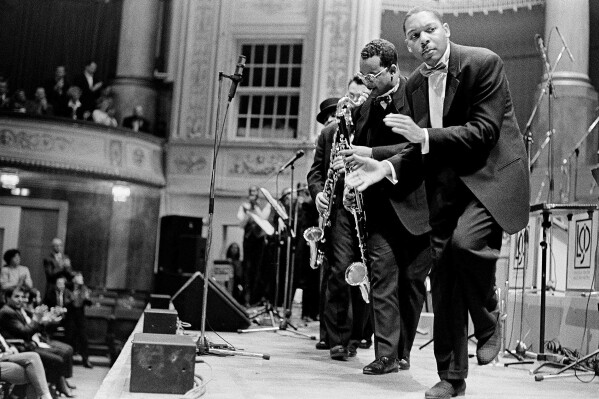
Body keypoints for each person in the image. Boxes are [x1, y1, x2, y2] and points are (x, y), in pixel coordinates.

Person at [346, 8, 530, 398]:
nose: (424, 39)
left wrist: (424, 136)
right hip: (447, 188)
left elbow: (482, 132)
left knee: (465, 245)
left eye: (430, 30)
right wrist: (385, 167)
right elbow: (417, 149)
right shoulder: (414, 85)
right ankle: (451, 377)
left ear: (445, 31)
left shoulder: (483, 63)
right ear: (408, 46)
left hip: (490, 178)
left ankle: (488, 316)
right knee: (443, 280)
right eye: (414, 35)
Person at [336, 39, 431, 373]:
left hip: (419, 208)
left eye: (373, 75)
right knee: (382, 280)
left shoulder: (419, 96)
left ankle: (403, 351)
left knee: (412, 286)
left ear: (393, 70)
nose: (367, 82)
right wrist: (352, 187)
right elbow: (357, 154)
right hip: (378, 210)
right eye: (363, 75)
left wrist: (371, 155)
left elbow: (417, 147)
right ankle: (386, 354)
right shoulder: (365, 106)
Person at [0, 286, 75, 397]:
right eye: (17, 297)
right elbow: (24, 332)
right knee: (37, 368)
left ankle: (48, 392)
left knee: (36, 365)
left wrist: (43, 321)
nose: (21, 300)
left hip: (14, 349)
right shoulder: (6, 311)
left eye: (22, 297)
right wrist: (37, 320)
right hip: (19, 348)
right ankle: (48, 393)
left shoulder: (17, 310)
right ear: (7, 298)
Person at [237, 186, 272, 306]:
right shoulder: (244, 206)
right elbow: (241, 224)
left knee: (258, 269)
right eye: (252, 193)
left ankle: (255, 298)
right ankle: (246, 299)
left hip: (259, 241)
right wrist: (248, 212)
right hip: (248, 240)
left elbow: (263, 220)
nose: (254, 195)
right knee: (247, 269)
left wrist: (255, 208)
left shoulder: (262, 206)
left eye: (256, 193)